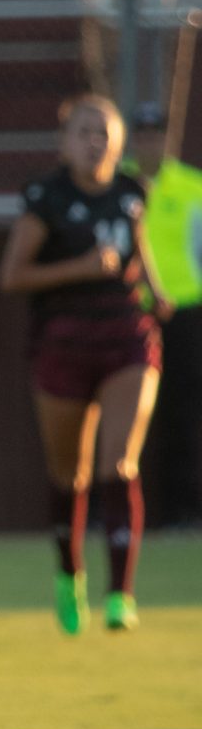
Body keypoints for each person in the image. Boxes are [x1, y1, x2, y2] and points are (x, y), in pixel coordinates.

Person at [0, 95, 175, 634]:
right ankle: (67, 573)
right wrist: (79, 266)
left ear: (119, 143)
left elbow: (137, 256)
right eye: (84, 131)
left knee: (119, 464)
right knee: (68, 473)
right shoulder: (45, 198)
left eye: (104, 132)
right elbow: (13, 277)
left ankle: (121, 594)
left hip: (126, 337)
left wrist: (156, 292)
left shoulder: (132, 193)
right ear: (64, 142)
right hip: (64, 342)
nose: (95, 141)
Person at [130, 102, 202, 530]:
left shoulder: (192, 186)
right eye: (142, 137)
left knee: (182, 411)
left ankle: (181, 512)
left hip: (184, 314)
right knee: (127, 414)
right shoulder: (119, 183)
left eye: (155, 136)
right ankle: (119, 515)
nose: (149, 144)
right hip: (131, 314)